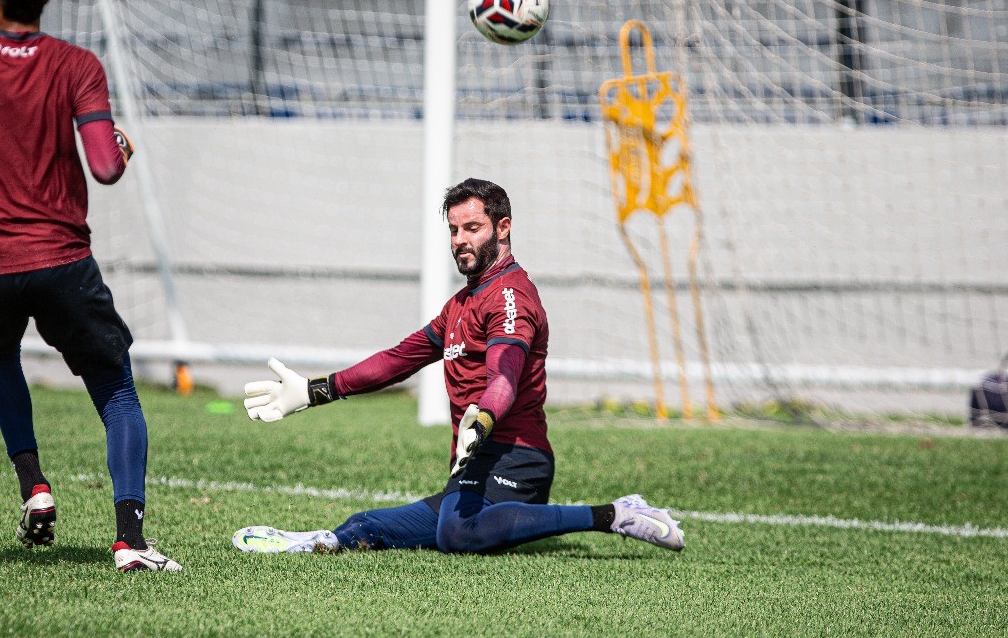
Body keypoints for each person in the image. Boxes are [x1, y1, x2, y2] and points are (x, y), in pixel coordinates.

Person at [233, 178, 684, 555]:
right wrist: (317, 390)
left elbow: (505, 374)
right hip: (473, 462)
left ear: (503, 228)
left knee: (458, 533)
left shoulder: (510, 296)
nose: (459, 241)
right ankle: (320, 541)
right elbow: (398, 360)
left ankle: (614, 514)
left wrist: (484, 418)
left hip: (515, 458)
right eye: (453, 230)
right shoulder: (461, 304)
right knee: (367, 525)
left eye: (471, 228)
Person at [0, 0, 180, 572]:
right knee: (116, 388)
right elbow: (106, 167)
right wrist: (121, 145)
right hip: (59, 260)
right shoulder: (77, 65)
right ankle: (130, 541)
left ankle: (34, 485)